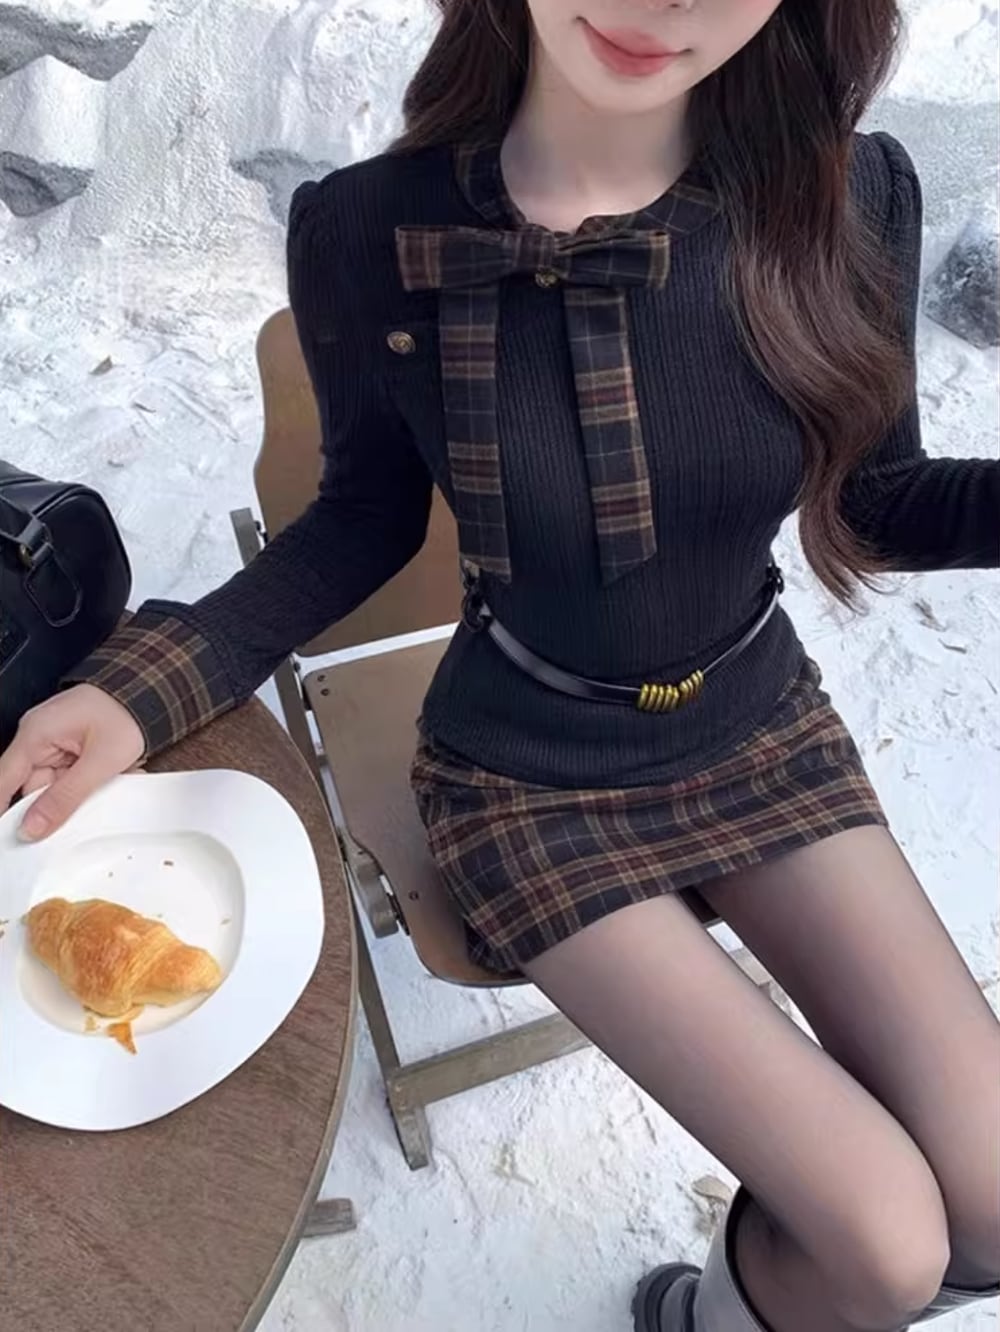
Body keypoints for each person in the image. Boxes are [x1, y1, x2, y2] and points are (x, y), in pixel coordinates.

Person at [3, 1, 998, 1328]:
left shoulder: (846, 192)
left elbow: (876, 500)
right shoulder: (371, 231)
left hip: (759, 726)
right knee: (884, 1250)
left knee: (991, 1207)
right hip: (530, 775)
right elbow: (362, 520)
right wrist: (142, 687)